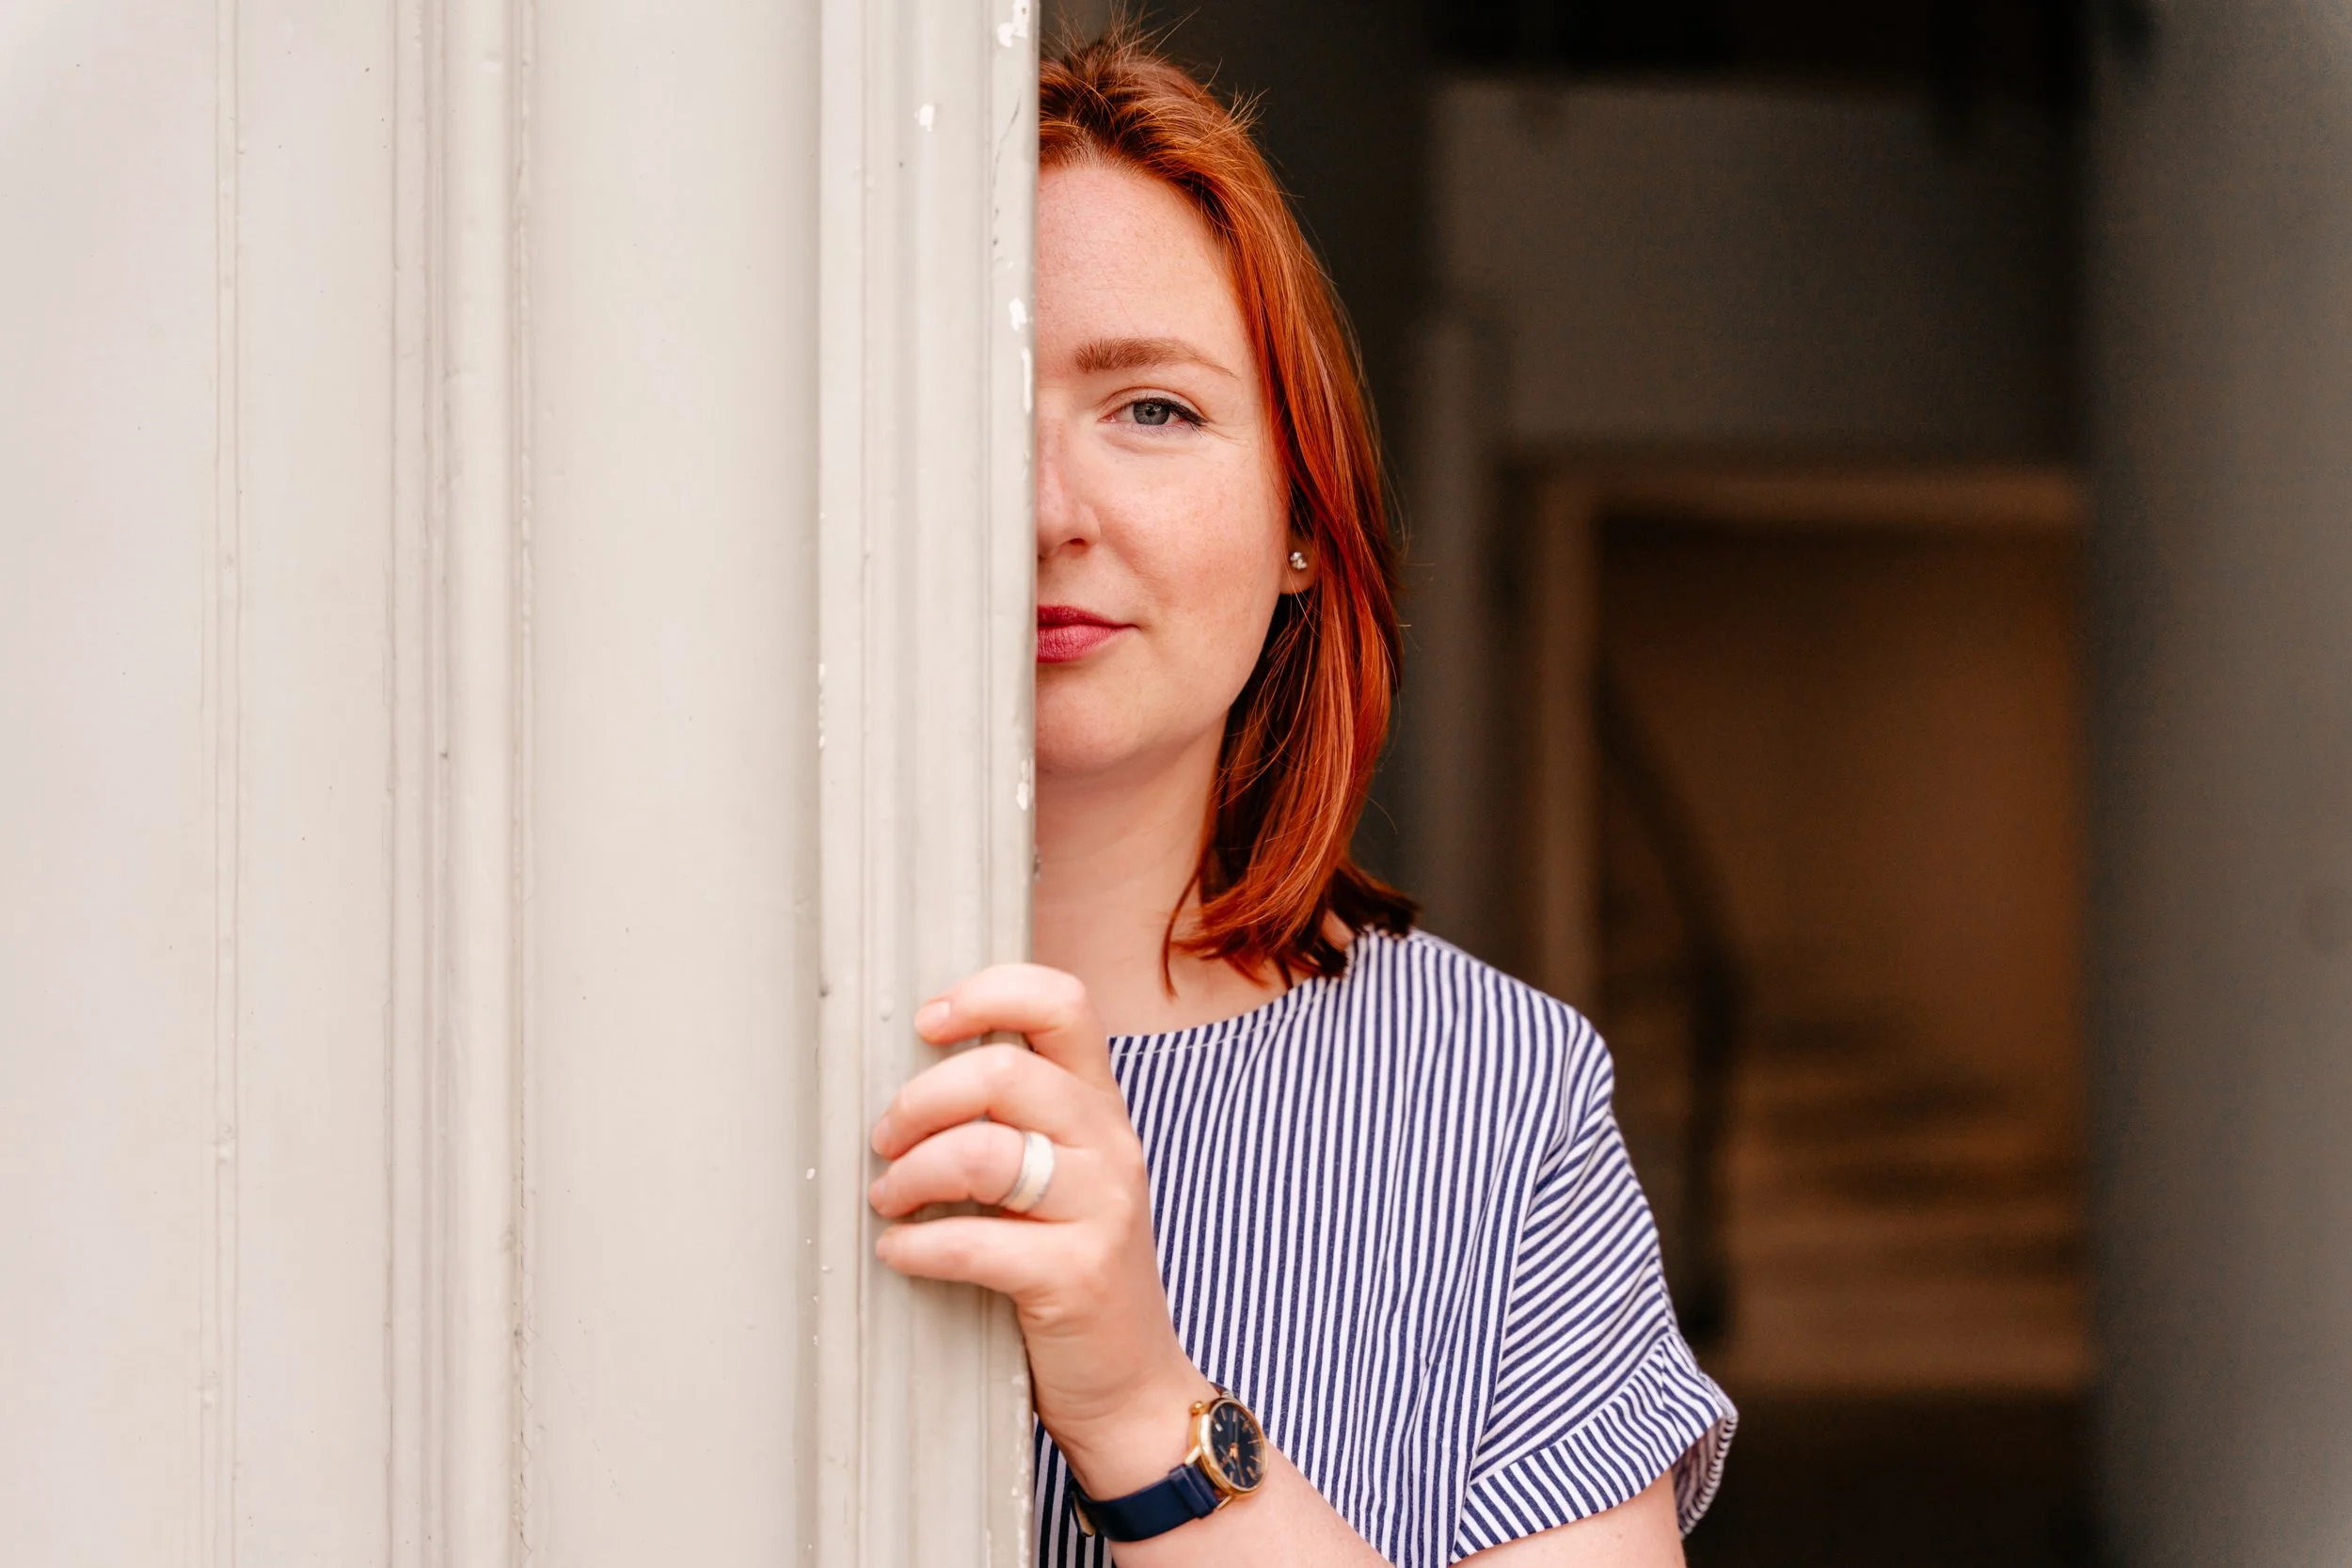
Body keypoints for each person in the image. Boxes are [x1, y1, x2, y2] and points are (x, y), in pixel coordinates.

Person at [864, 30, 1735, 1566]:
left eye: (1154, 409)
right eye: (978, 405)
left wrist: (1142, 1412)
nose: (1051, 510)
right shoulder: (659, 1031)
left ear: (1301, 527)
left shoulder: (1494, 1097)